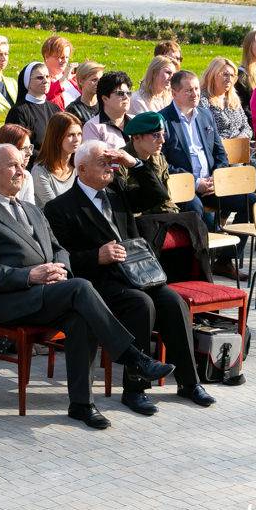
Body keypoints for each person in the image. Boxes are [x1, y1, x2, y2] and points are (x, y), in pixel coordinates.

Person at [0, 143, 174, 429]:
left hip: (47, 292)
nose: (20, 170)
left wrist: (61, 269)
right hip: (11, 302)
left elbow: (59, 249)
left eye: (21, 164)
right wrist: (30, 275)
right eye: (12, 165)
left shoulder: (32, 209)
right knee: (81, 288)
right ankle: (133, 357)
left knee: (79, 316)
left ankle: (81, 404)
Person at [45, 138, 216, 415]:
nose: (110, 168)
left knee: (173, 301)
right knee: (141, 304)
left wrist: (133, 163)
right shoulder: (60, 207)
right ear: (83, 169)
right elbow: (60, 256)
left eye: (111, 162)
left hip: (138, 274)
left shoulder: (116, 191)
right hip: (100, 281)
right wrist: (95, 256)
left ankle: (189, 382)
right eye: (103, 163)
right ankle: (135, 389)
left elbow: (158, 194)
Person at [160, 70, 255, 281]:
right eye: (188, 90)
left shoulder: (204, 114)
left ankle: (225, 260)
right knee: (195, 207)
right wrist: (195, 183)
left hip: (213, 183)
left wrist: (217, 178)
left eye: (196, 89)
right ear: (174, 92)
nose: (194, 94)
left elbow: (219, 152)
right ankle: (199, 267)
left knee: (252, 202)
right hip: (185, 187)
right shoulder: (164, 120)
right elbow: (164, 164)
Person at [201, 56, 256, 191]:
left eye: (232, 75)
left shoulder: (233, 99)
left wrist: (241, 138)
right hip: (220, 153)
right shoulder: (203, 100)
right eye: (224, 74)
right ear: (212, 75)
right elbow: (206, 131)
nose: (229, 78)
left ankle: (247, 200)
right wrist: (231, 143)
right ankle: (242, 201)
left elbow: (247, 126)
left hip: (242, 149)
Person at [119, 112, 178, 214]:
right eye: (156, 135)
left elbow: (164, 199)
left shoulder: (159, 159)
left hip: (159, 215)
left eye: (163, 134)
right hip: (136, 219)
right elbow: (126, 204)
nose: (162, 141)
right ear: (136, 137)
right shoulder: (121, 161)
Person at [5, 62, 60, 157]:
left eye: (47, 76)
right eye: (40, 78)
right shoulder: (18, 112)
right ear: (28, 83)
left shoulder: (55, 108)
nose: (45, 81)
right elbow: (18, 146)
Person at [31, 112, 81, 208]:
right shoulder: (40, 171)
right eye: (70, 135)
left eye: (79, 134)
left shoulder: (79, 166)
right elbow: (56, 208)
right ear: (56, 137)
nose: (77, 139)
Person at [82, 71, 133, 149]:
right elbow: (94, 159)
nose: (126, 97)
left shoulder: (136, 121)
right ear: (105, 98)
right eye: (120, 93)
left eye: (128, 93)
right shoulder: (93, 127)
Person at [41, 35, 80, 110]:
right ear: (46, 57)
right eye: (61, 57)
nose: (65, 61)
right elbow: (46, 96)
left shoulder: (72, 78)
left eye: (67, 57)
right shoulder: (39, 78)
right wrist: (63, 79)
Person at [65, 61, 104, 125]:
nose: (99, 83)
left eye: (100, 80)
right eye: (94, 80)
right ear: (81, 81)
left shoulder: (106, 104)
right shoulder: (73, 109)